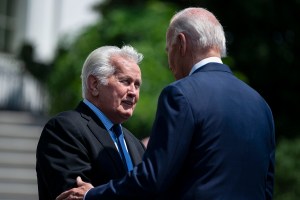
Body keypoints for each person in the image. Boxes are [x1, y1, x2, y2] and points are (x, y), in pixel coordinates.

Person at [56, 7, 275, 200]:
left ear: (181, 43)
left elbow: (154, 178)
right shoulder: (261, 106)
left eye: (168, 49)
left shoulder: (181, 94)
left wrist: (92, 195)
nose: (169, 62)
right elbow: (266, 188)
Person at [36, 45, 146, 200]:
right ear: (94, 85)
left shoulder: (136, 145)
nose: (133, 92)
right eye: (125, 81)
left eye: (137, 85)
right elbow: (73, 195)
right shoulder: (65, 129)